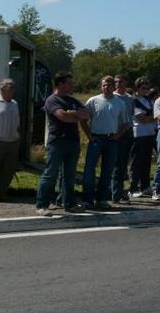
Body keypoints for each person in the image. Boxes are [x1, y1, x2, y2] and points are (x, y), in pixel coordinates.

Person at [35, 72, 89, 215]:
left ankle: (69, 204)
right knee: (50, 174)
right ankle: (42, 205)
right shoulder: (52, 100)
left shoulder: (73, 100)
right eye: (69, 83)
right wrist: (74, 115)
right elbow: (62, 116)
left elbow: (86, 114)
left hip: (73, 142)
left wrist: (72, 114)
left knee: (69, 175)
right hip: (57, 142)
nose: (72, 85)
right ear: (60, 84)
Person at [81, 76, 129, 208]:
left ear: (114, 86)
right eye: (104, 85)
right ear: (101, 86)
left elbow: (126, 123)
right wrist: (89, 136)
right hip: (96, 139)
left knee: (107, 171)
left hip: (112, 140)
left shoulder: (120, 103)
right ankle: (87, 200)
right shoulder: (93, 100)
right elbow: (83, 119)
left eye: (109, 85)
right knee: (89, 170)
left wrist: (117, 136)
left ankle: (101, 199)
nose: (106, 87)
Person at [128, 77, 157, 198]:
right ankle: (133, 188)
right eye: (143, 88)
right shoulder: (134, 100)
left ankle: (145, 186)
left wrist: (151, 116)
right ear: (137, 88)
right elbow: (142, 119)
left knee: (146, 162)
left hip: (149, 134)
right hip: (138, 134)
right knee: (136, 162)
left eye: (147, 88)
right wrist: (153, 116)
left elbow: (154, 115)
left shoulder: (148, 100)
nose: (145, 90)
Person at [111, 74, 134, 204]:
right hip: (117, 132)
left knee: (124, 165)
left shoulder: (130, 98)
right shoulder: (113, 97)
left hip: (128, 132)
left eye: (120, 81)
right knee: (117, 165)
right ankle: (116, 194)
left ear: (126, 83)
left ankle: (119, 191)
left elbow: (130, 116)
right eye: (116, 82)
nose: (117, 84)